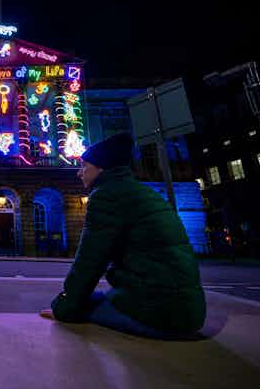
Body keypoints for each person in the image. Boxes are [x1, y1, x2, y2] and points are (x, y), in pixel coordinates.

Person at [40, 133, 206, 339]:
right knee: (89, 300)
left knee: (79, 309)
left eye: (84, 166)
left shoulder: (107, 195)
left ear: (101, 169)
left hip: (161, 313)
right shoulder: (137, 190)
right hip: (186, 309)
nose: (79, 173)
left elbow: (90, 261)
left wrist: (63, 309)